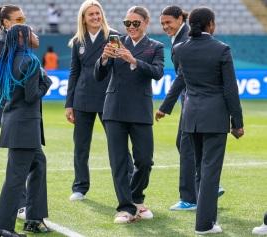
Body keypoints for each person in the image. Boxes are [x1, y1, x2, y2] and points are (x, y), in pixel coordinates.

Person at [169, 7, 244, 234]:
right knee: (211, 172)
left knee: (201, 171)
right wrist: (237, 123)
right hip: (214, 118)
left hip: (190, 116)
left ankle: (209, 221)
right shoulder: (222, 49)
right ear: (210, 24)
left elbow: (181, 80)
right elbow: (230, 89)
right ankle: (204, 224)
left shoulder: (180, 49)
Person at [95, 6, 164, 224]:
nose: (131, 27)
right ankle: (125, 207)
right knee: (118, 161)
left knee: (144, 160)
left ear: (146, 23)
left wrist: (133, 60)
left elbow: (157, 73)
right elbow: (99, 75)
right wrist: (104, 59)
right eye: (127, 23)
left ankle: (136, 198)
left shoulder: (155, 47)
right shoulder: (115, 43)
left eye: (136, 23)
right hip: (114, 109)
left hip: (141, 110)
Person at [156, 5, 225, 211]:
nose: (165, 27)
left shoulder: (186, 38)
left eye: (168, 22)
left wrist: (166, 106)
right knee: (188, 146)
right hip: (193, 101)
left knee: (186, 147)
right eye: (162, 24)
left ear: (180, 19)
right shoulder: (180, 37)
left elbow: (182, 76)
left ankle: (191, 198)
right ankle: (208, 185)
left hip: (194, 102)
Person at [65, 0, 133, 202]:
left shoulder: (114, 37)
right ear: (83, 19)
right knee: (81, 146)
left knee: (118, 144)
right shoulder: (78, 41)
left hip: (109, 98)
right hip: (82, 98)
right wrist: (69, 103)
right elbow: (74, 72)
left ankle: (129, 182)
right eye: (91, 14)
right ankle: (80, 186)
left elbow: (121, 69)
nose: (95, 17)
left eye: (98, 13)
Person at [0, 24, 52, 237]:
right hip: (25, 127)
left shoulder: (6, 61)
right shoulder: (31, 61)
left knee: (39, 163)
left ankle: (34, 218)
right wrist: (47, 84)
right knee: (15, 179)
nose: (36, 35)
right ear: (21, 38)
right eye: (32, 32)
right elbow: (31, 96)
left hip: (14, 124)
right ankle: (2, 228)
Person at [0, 4, 29, 220]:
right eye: (18, 20)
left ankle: (25, 204)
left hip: (20, 111)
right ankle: (20, 205)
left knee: (31, 159)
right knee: (21, 160)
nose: (22, 24)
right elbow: (4, 82)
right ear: (6, 23)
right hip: (10, 111)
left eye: (23, 20)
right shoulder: (1, 45)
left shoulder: (20, 43)